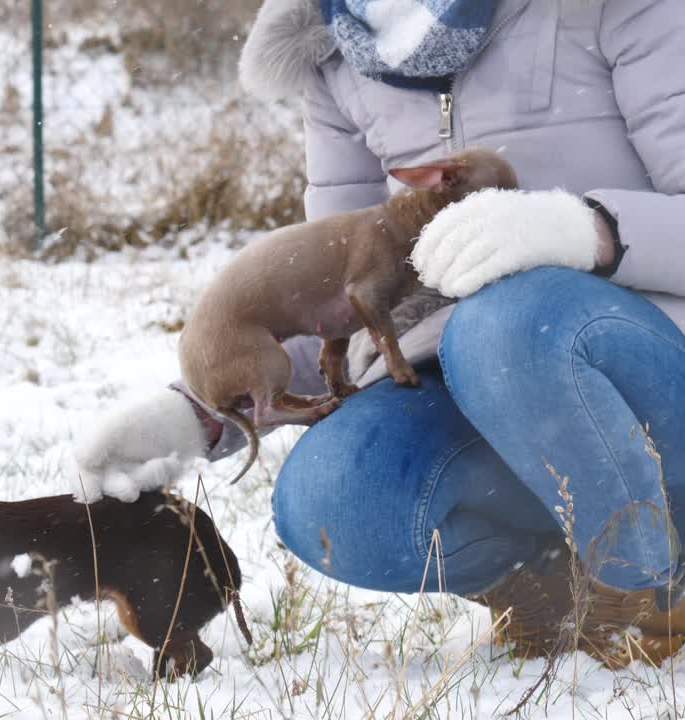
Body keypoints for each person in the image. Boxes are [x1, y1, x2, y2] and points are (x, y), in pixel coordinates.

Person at [73, 0, 685, 667]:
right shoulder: (336, 44)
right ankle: (549, 584)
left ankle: (645, 579)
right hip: (460, 375)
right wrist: (203, 408)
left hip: (643, 355)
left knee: (505, 325)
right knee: (335, 499)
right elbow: (341, 302)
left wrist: (581, 230)